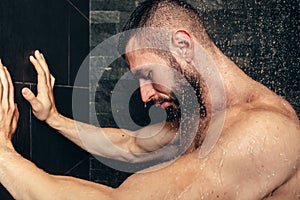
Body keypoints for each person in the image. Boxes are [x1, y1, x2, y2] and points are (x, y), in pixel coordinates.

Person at [0, 0, 299, 199]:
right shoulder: (200, 114)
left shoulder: (265, 131)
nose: (144, 95)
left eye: (147, 74)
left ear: (182, 46)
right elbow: (131, 145)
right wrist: (54, 118)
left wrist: (3, 156)